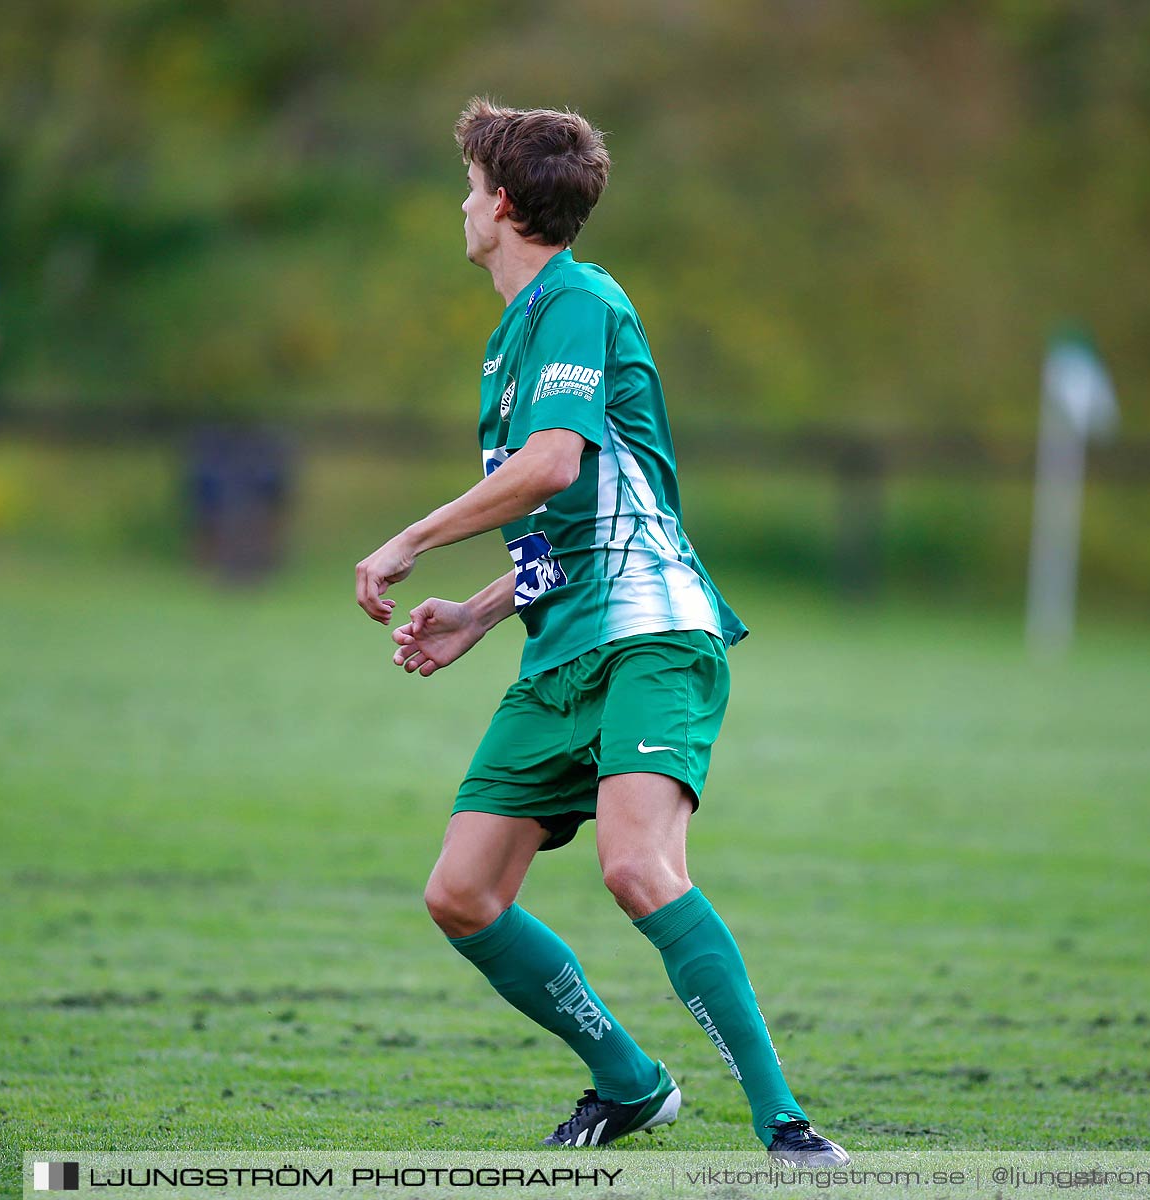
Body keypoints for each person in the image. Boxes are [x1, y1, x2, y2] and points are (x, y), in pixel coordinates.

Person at [353, 99, 848, 1164]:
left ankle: (788, 1132)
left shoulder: (577, 301)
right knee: (462, 894)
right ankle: (630, 1085)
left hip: (653, 635)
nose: (461, 204)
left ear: (500, 203)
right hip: (563, 645)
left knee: (636, 865)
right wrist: (483, 614)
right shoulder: (514, 338)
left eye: (468, 186)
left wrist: (410, 541)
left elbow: (552, 468)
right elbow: (565, 515)